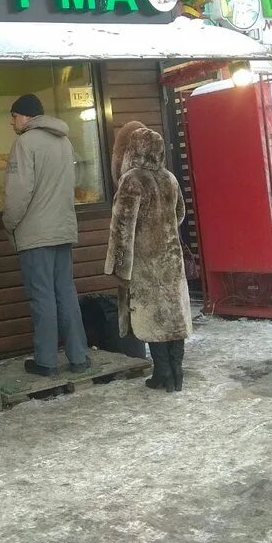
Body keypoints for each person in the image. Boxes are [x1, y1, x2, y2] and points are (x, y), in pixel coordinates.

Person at [2, 94, 91, 377]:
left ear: (25, 116)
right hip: (63, 229)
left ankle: (46, 361)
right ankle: (79, 357)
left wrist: (9, 222)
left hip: (35, 233)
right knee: (66, 292)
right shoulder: (64, 142)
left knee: (41, 297)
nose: (11, 122)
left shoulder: (24, 144)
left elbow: (19, 193)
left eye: (13, 116)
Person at [104, 125, 192, 393]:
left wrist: (118, 264)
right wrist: (163, 229)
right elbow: (180, 214)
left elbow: (122, 228)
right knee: (174, 317)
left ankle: (161, 371)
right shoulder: (170, 178)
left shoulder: (131, 180)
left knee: (152, 318)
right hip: (171, 259)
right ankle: (176, 372)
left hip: (145, 261)